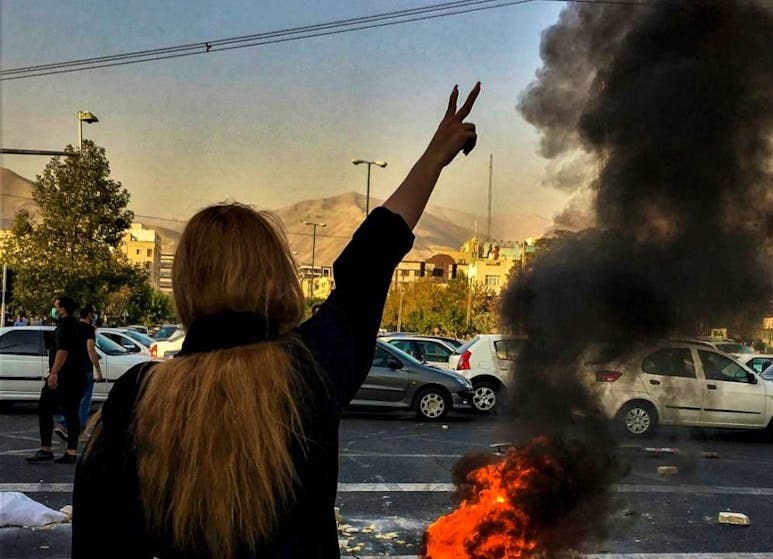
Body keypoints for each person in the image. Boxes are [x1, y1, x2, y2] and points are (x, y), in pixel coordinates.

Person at [73, 83, 481, 558]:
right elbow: (368, 263)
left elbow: (96, 542)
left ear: (186, 285)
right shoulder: (310, 369)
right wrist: (433, 158)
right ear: (276, 274)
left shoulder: (135, 397)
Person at [26, 296, 89, 464]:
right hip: (77, 376)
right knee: (71, 412)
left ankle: (46, 449)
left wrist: (53, 373)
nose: (54, 309)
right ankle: (71, 451)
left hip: (65, 376)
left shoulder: (65, 326)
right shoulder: (78, 325)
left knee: (45, 406)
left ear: (62, 309)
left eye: (56, 306)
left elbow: (63, 351)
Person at [55, 305, 104, 442]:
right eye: (93, 313)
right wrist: (98, 369)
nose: (94, 316)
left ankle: (65, 424)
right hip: (85, 370)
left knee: (74, 399)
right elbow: (90, 349)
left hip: (72, 368)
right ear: (89, 315)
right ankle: (76, 429)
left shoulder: (74, 327)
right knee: (84, 401)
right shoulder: (88, 329)